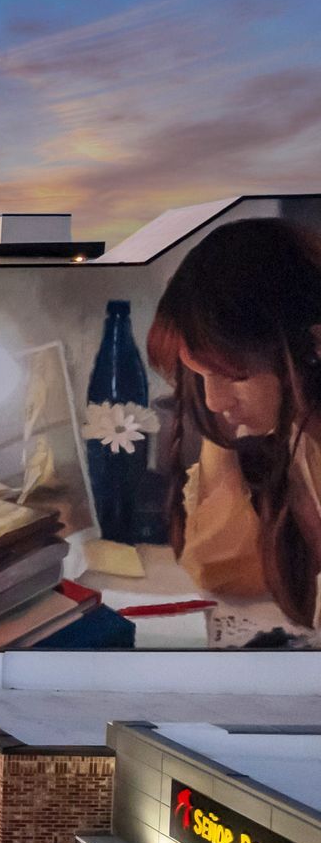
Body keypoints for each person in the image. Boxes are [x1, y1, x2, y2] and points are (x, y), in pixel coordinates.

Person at [147, 217, 321, 631]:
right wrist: (222, 438)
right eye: (200, 374)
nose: (213, 400)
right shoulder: (298, 444)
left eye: (235, 373)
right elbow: (219, 570)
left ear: (313, 347)